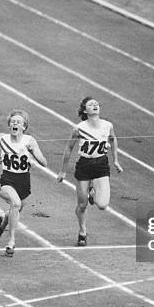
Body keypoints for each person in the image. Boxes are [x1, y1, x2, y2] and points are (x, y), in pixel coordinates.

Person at [56, 97, 123, 246]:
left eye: (97, 104)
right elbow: (69, 148)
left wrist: (116, 160)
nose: (95, 105)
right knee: (82, 205)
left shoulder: (107, 125)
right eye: (91, 104)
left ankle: (93, 191)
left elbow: (113, 140)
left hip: (101, 165)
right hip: (84, 166)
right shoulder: (79, 128)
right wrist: (63, 171)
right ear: (85, 111)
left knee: (102, 205)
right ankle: (82, 230)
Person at [0, 110, 47, 257]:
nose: (15, 123)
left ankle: (3, 221)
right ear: (9, 125)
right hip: (7, 179)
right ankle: (11, 241)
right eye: (13, 121)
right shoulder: (2, 138)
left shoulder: (29, 141)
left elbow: (44, 163)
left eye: (18, 122)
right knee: (16, 203)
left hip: (24, 181)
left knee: (15, 209)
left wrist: (33, 152)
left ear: (24, 127)